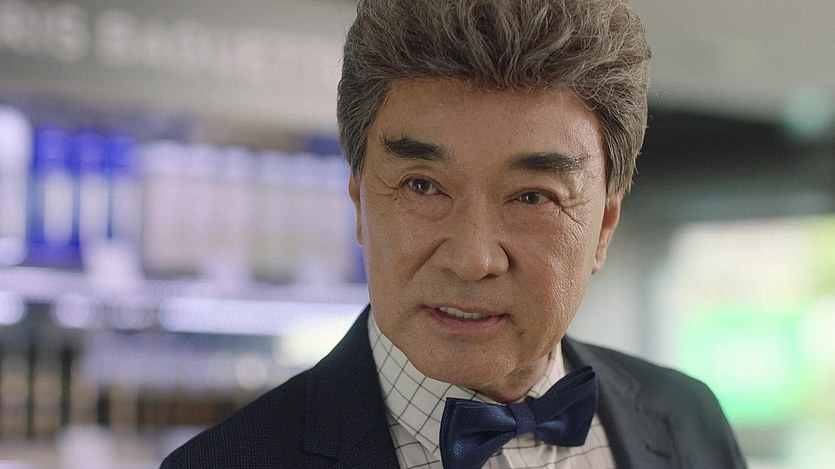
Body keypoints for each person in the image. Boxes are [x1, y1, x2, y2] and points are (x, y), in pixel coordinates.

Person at [161, 0, 747, 467]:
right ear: (360, 202)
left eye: (533, 196)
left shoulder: (686, 419)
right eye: (422, 186)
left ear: (603, 228)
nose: (472, 258)